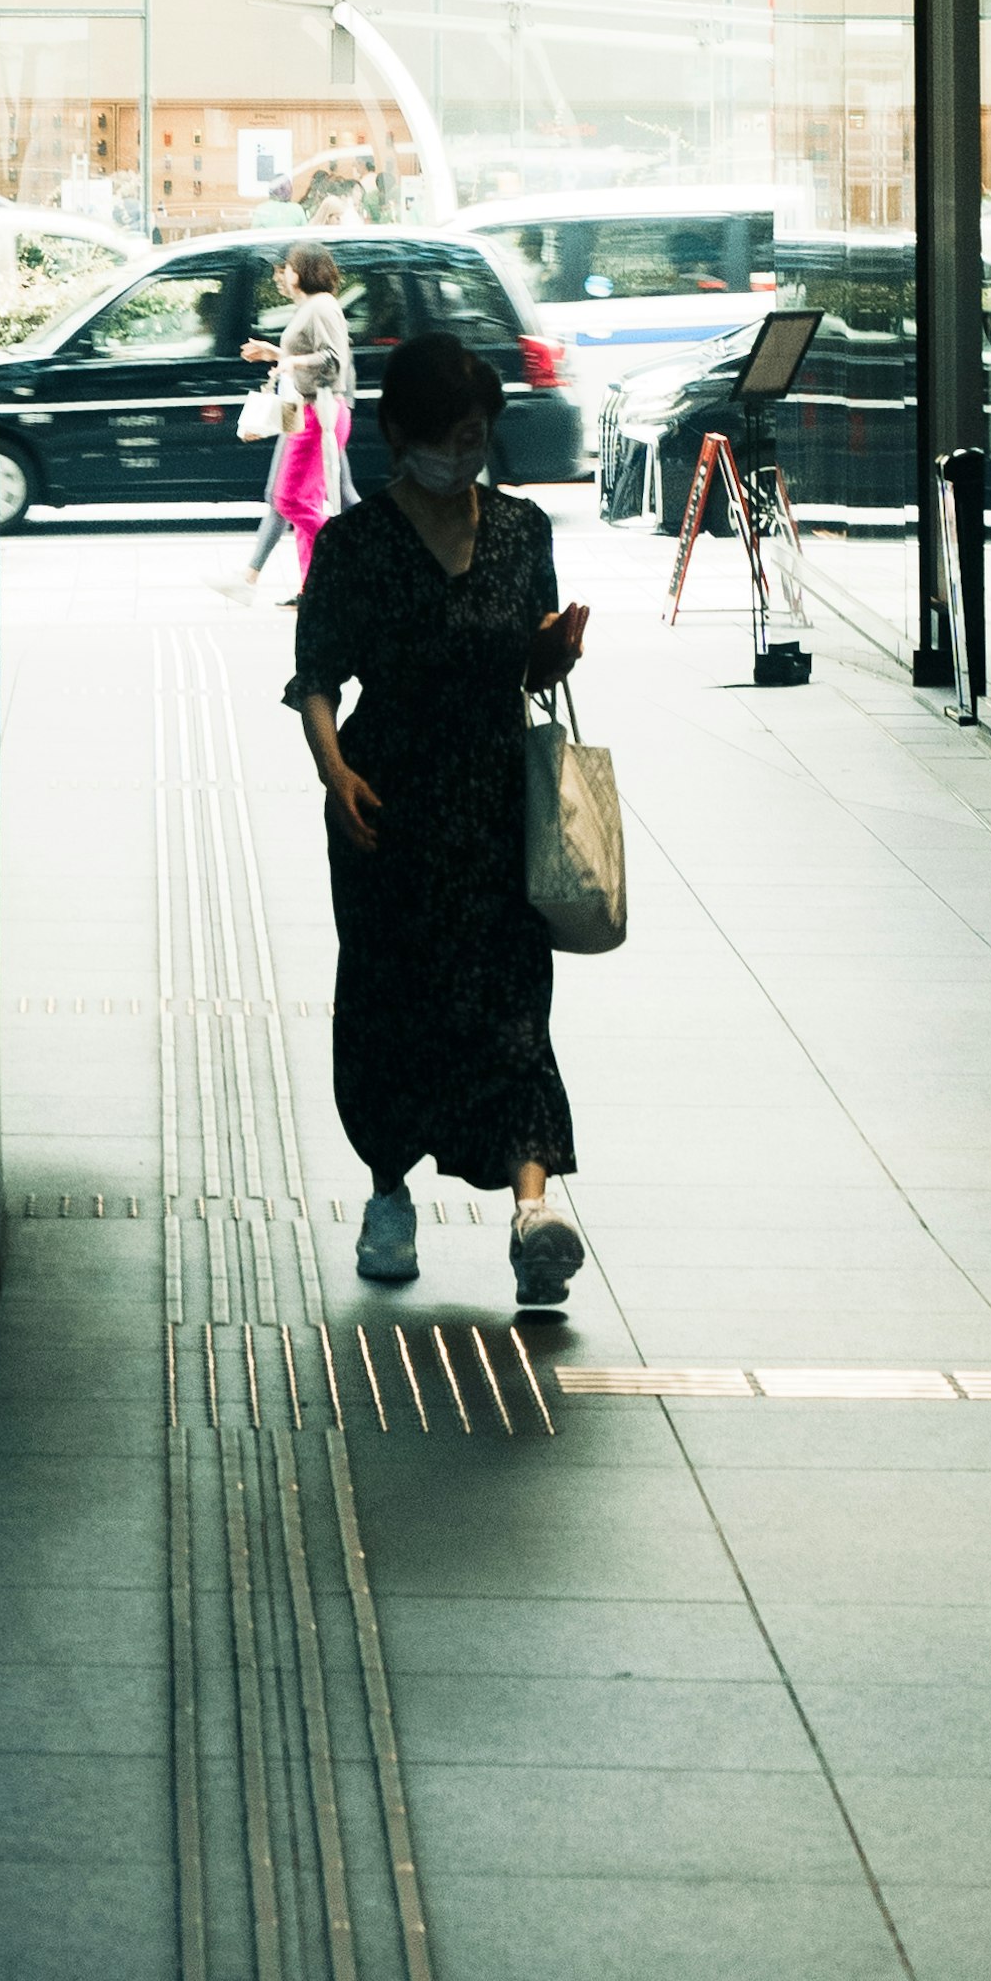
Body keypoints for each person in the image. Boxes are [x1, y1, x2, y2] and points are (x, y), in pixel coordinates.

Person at [286, 330, 591, 1308]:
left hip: (500, 800)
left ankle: (534, 1209)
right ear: (397, 434)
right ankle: (387, 1194)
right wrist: (335, 773)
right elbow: (318, 679)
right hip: (389, 807)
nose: (464, 455)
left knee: (510, 1005)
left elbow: (523, 664)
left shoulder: (521, 532)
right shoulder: (355, 545)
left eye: (478, 436)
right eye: (448, 436)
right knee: (391, 1005)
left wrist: (554, 656)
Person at [239, 241, 355, 597]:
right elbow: (307, 354)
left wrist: (293, 362)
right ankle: (312, 590)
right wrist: (275, 353)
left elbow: (333, 360)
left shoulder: (321, 307)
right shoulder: (310, 307)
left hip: (318, 411)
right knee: (302, 499)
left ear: (302, 271)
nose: (284, 274)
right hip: (306, 409)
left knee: (287, 499)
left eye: (288, 267)